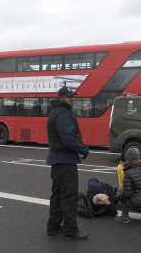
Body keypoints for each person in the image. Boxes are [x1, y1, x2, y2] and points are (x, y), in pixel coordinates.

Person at [46, 86, 89, 241]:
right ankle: (71, 231)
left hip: (57, 161)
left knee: (57, 195)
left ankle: (53, 226)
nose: (72, 98)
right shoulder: (63, 114)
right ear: (61, 98)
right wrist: (84, 150)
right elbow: (69, 140)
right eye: (69, 96)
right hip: (66, 162)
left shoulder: (56, 112)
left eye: (73, 96)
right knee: (69, 196)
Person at [114, 149, 141, 223]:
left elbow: (127, 193)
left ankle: (125, 216)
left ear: (127, 159)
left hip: (139, 203)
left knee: (121, 190)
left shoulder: (128, 173)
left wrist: (115, 198)